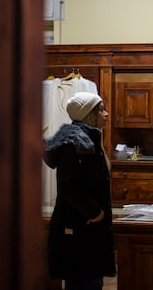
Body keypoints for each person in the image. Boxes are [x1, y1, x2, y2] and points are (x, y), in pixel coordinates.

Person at [44, 92, 116, 290]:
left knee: (90, 280)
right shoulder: (75, 141)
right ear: (88, 115)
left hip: (86, 227)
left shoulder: (87, 138)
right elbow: (68, 186)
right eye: (101, 110)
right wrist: (95, 212)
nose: (107, 114)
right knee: (83, 281)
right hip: (78, 227)